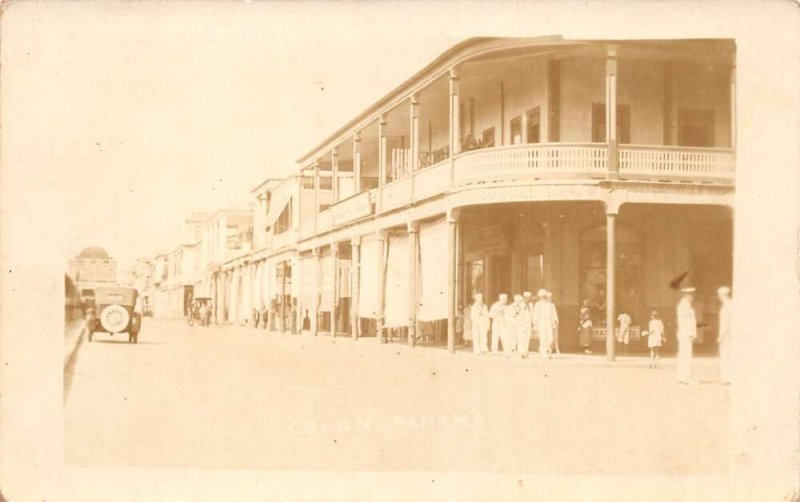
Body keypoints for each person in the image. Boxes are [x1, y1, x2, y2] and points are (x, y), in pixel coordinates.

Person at [676, 287, 698, 384]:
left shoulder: (685, 305)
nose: (692, 297)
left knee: (683, 355)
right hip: (686, 334)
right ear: (686, 295)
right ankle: (686, 377)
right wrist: (691, 333)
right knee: (686, 356)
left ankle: (681, 376)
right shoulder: (684, 307)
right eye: (691, 295)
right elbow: (686, 323)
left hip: (684, 334)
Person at [533, 289, 558, 358]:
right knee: (543, 338)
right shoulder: (538, 305)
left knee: (550, 339)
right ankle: (544, 353)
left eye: (544, 296)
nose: (543, 298)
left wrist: (555, 321)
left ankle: (548, 351)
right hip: (541, 322)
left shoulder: (551, 305)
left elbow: (554, 314)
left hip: (549, 322)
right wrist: (535, 323)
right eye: (541, 296)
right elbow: (535, 314)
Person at [717, 286, 733, 384]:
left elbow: (725, 322)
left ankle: (727, 377)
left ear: (723, 295)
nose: (719, 297)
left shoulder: (727, 306)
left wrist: (721, 335)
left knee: (725, 355)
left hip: (726, 334)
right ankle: (729, 376)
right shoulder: (731, 304)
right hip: (730, 333)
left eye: (719, 295)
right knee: (729, 355)